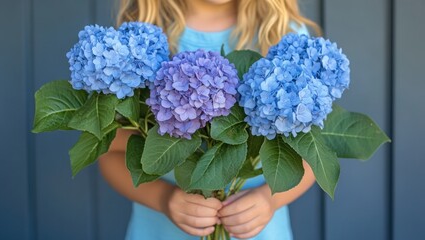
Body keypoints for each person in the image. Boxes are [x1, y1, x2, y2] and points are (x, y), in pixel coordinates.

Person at [99, 0, 319, 239]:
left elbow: (313, 156)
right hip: (160, 230)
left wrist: (270, 199)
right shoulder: (140, 38)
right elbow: (111, 153)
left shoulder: (283, 32)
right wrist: (163, 198)